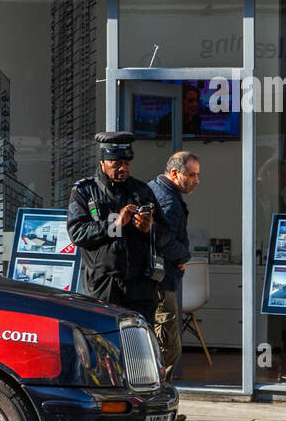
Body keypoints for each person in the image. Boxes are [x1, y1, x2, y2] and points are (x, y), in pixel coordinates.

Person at [66, 131, 172, 325]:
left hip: (140, 286)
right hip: (104, 285)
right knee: (105, 342)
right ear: (103, 163)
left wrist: (149, 229)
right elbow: (77, 233)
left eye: (127, 164)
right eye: (117, 164)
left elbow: (166, 235)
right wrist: (115, 224)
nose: (123, 169)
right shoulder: (85, 191)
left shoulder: (141, 190)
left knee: (138, 342)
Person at [148, 151, 200, 373]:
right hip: (161, 281)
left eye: (197, 175)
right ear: (174, 173)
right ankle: (155, 395)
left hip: (156, 279)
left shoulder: (153, 189)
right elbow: (162, 240)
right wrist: (182, 257)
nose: (196, 181)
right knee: (169, 348)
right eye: (191, 175)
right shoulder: (168, 200)